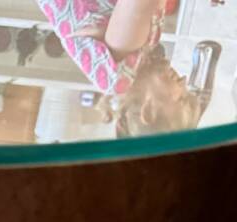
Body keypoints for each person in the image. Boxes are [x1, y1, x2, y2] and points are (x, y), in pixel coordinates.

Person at [36, 0, 201, 134]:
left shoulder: (124, 63)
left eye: (182, 98)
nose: (183, 80)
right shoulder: (141, 54)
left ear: (149, 110)